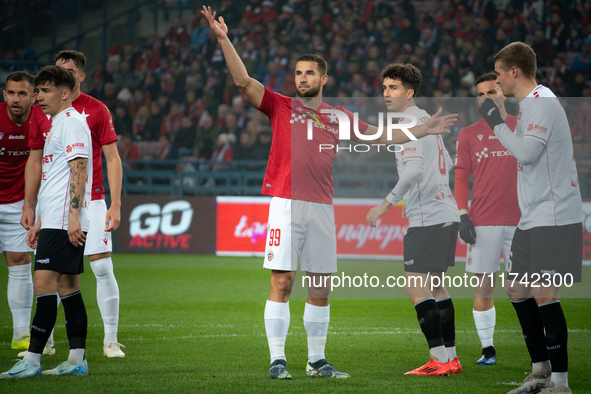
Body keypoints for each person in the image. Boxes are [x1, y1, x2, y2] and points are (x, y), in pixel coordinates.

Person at [202, 6, 458, 380]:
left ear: (324, 78)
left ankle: (317, 361)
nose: (301, 78)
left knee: (321, 286)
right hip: (286, 204)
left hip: (322, 206)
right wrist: (224, 39)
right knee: (283, 281)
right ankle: (278, 360)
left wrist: (423, 130)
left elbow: (383, 134)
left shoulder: (339, 116)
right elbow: (243, 81)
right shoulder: (280, 106)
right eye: (298, 73)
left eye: (309, 73)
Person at [479, 41, 582, 394]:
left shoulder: (541, 103)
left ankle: (561, 383)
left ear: (514, 71)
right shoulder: (529, 106)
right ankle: (540, 372)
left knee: (544, 292)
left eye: (497, 73)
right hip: (533, 215)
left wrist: (495, 121)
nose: (496, 81)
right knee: (517, 288)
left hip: (553, 214)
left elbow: (526, 153)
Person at [22, 50, 125, 358]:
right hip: (54, 203)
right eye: (58, 69)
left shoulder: (94, 110)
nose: (62, 74)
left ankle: (110, 340)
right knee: (52, 274)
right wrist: (31, 206)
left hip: (89, 199)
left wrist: (115, 203)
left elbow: (111, 158)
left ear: (78, 77)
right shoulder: (43, 111)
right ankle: (49, 342)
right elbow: (37, 161)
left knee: (102, 266)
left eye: (68, 71)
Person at [366, 63, 461, 377]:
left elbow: (413, 170)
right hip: (444, 211)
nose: (386, 93)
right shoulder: (423, 119)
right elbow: (445, 162)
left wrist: (386, 204)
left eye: (393, 87)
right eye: (384, 87)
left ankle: (439, 360)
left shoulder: (408, 121)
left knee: (415, 287)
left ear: (409, 92)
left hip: (428, 217)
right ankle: (451, 358)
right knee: (436, 286)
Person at [1, 65, 93, 378]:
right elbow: (55, 177)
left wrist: (72, 216)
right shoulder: (56, 124)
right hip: (53, 218)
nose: (39, 96)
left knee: (43, 283)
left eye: (45, 91)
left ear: (65, 93)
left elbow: (79, 169)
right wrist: (41, 219)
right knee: (68, 288)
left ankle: (32, 360)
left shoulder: (71, 123)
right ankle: (77, 360)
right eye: (38, 90)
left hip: (64, 220)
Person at [453, 72, 520, 366]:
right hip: (483, 222)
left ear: (503, 92)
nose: (485, 98)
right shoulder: (468, 134)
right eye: (480, 94)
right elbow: (460, 177)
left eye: (491, 92)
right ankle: (488, 349)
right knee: (484, 287)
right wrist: (462, 215)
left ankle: (538, 349)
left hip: (523, 222)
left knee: (523, 289)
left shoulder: (524, 128)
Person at [0, 71, 50, 352]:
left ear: (33, 96)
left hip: (21, 203)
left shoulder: (42, 120)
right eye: (10, 93)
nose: (15, 98)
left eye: (22, 93)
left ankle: (21, 334)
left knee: (19, 263)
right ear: (4, 94)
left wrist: (32, 205)